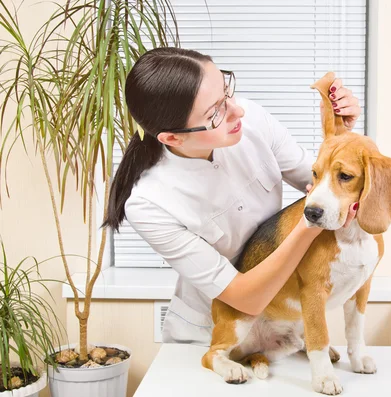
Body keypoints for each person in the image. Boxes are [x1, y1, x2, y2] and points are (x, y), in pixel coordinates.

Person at [102, 47, 362, 344]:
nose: (237, 111)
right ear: (173, 138)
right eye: (215, 113)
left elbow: (328, 188)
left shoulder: (252, 121)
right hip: (214, 334)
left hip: (281, 326)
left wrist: (341, 135)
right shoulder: (149, 203)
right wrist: (308, 226)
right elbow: (244, 298)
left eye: (227, 91)